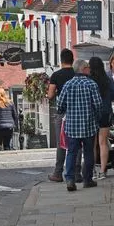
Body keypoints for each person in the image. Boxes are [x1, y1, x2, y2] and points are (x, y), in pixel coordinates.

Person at [57, 59, 102, 191]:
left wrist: (66, 111)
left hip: (72, 126)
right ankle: (87, 179)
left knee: (71, 152)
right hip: (89, 124)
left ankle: (70, 179)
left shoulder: (68, 85)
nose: (90, 69)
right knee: (88, 153)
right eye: (88, 67)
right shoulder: (91, 84)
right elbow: (98, 105)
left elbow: (60, 106)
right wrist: (97, 117)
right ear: (83, 69)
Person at [46, 48, 81, 183]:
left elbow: (50, 95)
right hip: (78, 111)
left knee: (62, 143)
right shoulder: (77, 73)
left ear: (61, 60)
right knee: (77, 142)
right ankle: (77, 172)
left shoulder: (56, 75)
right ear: (72, 60)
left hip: (62, 112)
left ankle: (58, 172)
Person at [88, 57, 114, 179]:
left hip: (91, 113)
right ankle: (103, 171)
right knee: (103, 142)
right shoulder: (107, 79)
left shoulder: (88, 80)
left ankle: (93, 170)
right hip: (105, 112)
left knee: (92, 144)